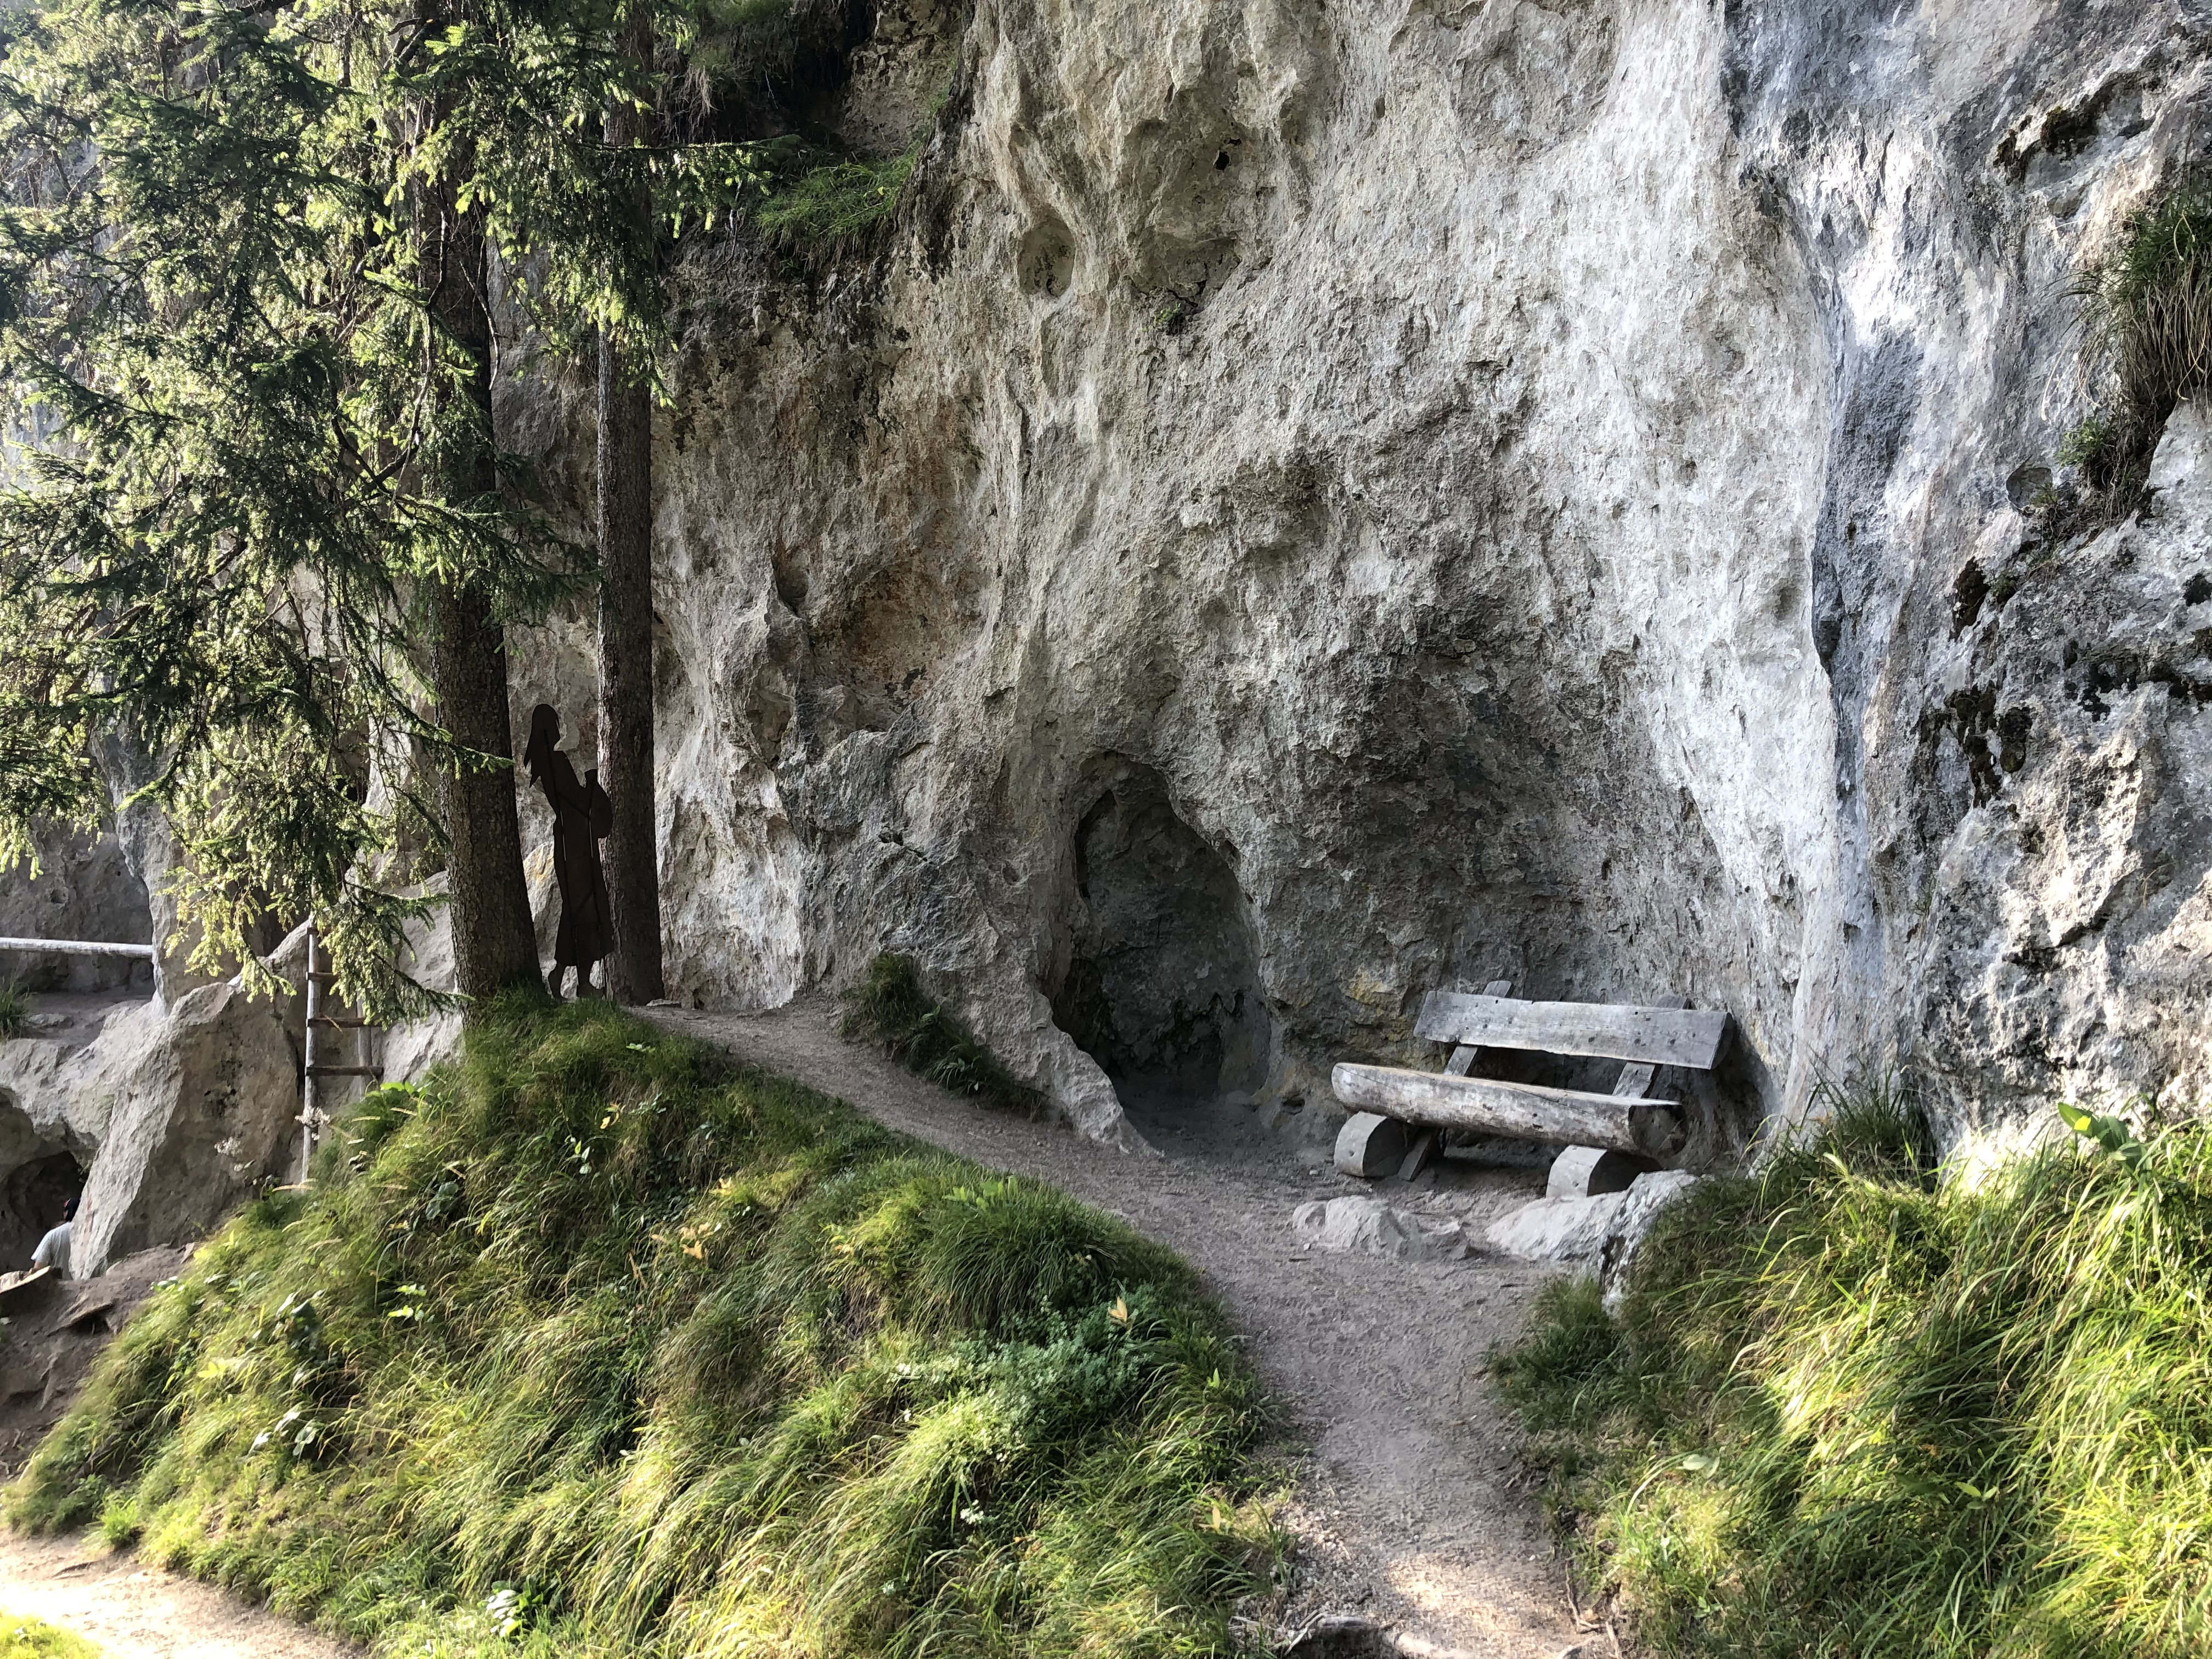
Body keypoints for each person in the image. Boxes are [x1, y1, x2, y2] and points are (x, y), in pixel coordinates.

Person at [521, 703, 615, 1000]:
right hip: (576, 846)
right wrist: (591, 782)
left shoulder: (544, 764)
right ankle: (575, 981)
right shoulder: (557, 761)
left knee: (578, 911)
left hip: (569, 843)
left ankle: (568, 978)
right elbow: (575, 799)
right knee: (584, 910)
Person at [31, 1197, 74, 1280]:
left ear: (67, 1213)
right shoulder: (92, 1231)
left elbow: (38, 1269)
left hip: (62, 1288)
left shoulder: (53, 1235)